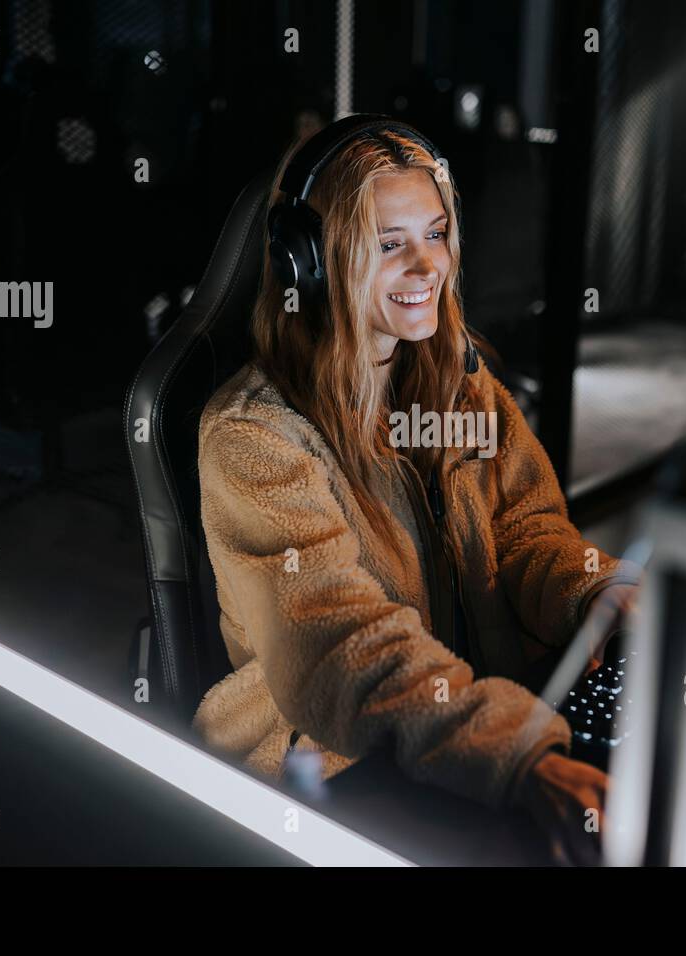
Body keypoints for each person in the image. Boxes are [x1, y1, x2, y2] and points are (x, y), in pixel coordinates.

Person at [192, 116, 639, 864]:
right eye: (391, 243)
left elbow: (526, 529)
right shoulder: (252, 438)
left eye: (435, 233)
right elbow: (340, 644)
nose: (428, 265)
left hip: (467, 717)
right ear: (314, 263)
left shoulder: (458, 388)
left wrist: (589, 590)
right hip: (328, 761)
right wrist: (517, 754)